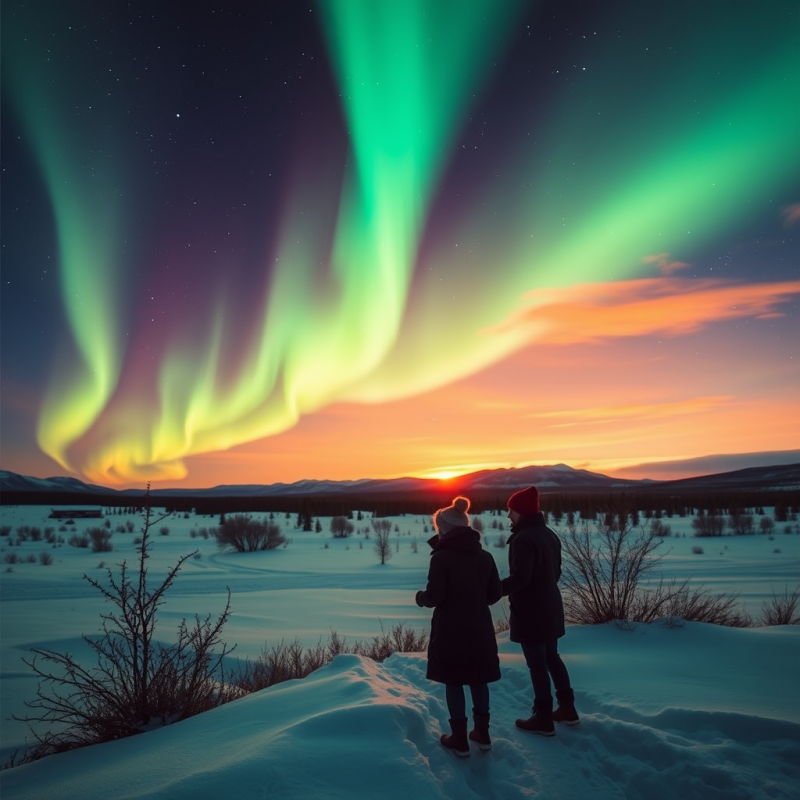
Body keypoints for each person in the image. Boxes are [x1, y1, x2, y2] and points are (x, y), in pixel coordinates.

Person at [415, 496, 502, 756]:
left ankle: (459, 739)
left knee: (453, 680)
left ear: (444, 528)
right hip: (480, 627)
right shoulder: (485, 556)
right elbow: (494, 594)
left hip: (451, 629)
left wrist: (421, 598)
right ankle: (482, 734)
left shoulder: (441, 558)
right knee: (478, 678)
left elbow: (435, 596)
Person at [501, 485, 579, 735]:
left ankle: (543, 717)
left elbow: (521, 578)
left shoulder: (523, 539)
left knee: (537, 664)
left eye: (511, 510)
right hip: (551, 606)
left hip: (531, 611)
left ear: (521, 511)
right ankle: (567, 708)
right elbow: (556, 572)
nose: (508, 515)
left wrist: (495, 589)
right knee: (552, 657)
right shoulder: (548, 534)